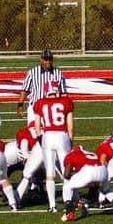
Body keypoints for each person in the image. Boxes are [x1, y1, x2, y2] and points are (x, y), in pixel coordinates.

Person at [32, 81, 74, 213]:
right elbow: (70, 126)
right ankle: (68, 202)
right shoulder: (66, 101)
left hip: (48, 136)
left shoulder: (39, 103)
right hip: (62, 135)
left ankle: (52, 205)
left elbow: (37, 126)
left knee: (50, 173)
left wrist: (40, 139)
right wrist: (70, 140)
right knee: (66, 171)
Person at [61, 143, 113, 220]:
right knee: (106, 190)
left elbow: (66, 174)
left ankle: (69, 212)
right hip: (101, 174)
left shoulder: (72, 155)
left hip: (87, 175)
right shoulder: (91, 154)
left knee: (67, 185)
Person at [16, 49, 67, 123]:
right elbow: (25, 90)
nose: (48, 61)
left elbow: (63, 93)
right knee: (33, 131)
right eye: (46, 59)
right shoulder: (33, 72)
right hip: (35, 106)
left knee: (49, 132)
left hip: (51, 109)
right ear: (41, 59)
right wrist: (20, 105)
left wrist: (64, 108)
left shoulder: (58, 73)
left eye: (50, 59)